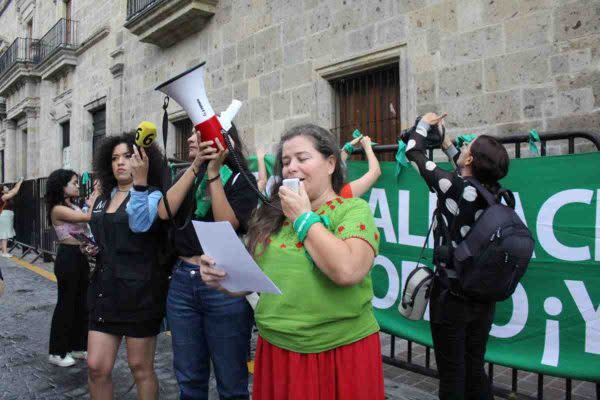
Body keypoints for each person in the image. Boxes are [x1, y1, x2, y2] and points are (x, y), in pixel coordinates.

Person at [199, 124, 384, 400]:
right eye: (285, 162)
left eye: (302, 158)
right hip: (277, 350)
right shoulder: (273, 216)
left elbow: (347, 270)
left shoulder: (352, 210)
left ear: (331, 163)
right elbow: (253, 282)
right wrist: (223, 279)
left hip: (338, 352)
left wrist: (303, 218)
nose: (291, 168)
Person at [404, 112, 510, 400]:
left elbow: (413, 151)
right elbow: (465, 174)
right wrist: (448, 144)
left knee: (452, 373)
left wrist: (424, 124)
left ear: (471, 161)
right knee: (474, 366)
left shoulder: (454, 188)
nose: (462, 149)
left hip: (451, 296)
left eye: (467, 147)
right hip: (482, 296)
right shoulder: (494, 193)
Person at [157, 126, 257, 400]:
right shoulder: (187, 175)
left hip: (223, 284)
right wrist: (197, 167)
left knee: (231, 381)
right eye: (191, 134)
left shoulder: (240, 179)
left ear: (223, 142)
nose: (190, 139)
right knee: (189, 379)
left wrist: (213, 173)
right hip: (182, 284)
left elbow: (227, 224)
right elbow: (164, 211)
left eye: (198, 134)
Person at [84, 133, 168, 400]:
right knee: (96, 366)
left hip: (140, 292)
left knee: (140, 367)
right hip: (104, 291)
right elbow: (101, 236)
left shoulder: (152, 195)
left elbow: (140, 225)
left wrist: (140, 185)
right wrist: (91, 246)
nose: (120, 162)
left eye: (127, 156)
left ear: (143, 159)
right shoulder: (101, 199)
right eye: (114, 158)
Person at [46, 169, 96, 367]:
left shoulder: (73, 205)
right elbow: (87, 218)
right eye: (74, 183)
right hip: (68, 257)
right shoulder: (57, 209)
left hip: (81, 256)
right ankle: (57, 352)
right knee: (66, 303)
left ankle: (78, 346)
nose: (77, 186)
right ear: (62, 186)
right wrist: (95, 200)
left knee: (81, 303)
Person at [0, 178, 24, 257]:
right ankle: (4, 252)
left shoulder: (5, 194)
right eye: (5, 188)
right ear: (2, 191)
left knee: (4, 234)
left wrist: (19, 182)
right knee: (4, 235)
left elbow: (14, 189)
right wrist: (20, 182)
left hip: (6, 216)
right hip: (5, 216)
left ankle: (2, 250)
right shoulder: (4, 197)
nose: (7, 188)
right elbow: (15, 192)